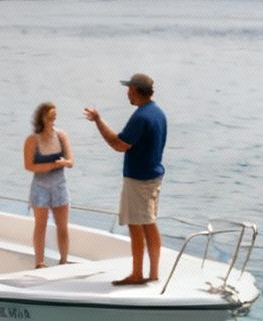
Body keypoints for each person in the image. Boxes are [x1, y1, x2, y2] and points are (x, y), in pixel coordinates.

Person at [83, 73, 166, 285]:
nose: (127, 92)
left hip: (139, 179)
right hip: (154, 176)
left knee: (135, 224)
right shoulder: (158, 113)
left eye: (129, 89)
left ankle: (137, 274)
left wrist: (98, 121)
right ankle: (154, 272)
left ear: (137, 90)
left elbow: (119, 144)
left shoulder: (141, 116)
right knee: (149, 223)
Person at [21, 101, 74, 268]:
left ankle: (64, 260)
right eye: (50, 117)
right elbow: (29, 166)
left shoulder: (61, 135)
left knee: (62, 226)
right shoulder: (32, 140)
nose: (53, 121)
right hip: (40, 186)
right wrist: (52, 165)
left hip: (59, 185)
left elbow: (71, 161)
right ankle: (40, 262)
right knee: (40, 225)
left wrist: (64, 162)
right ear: (42, 118)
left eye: (54, 117)